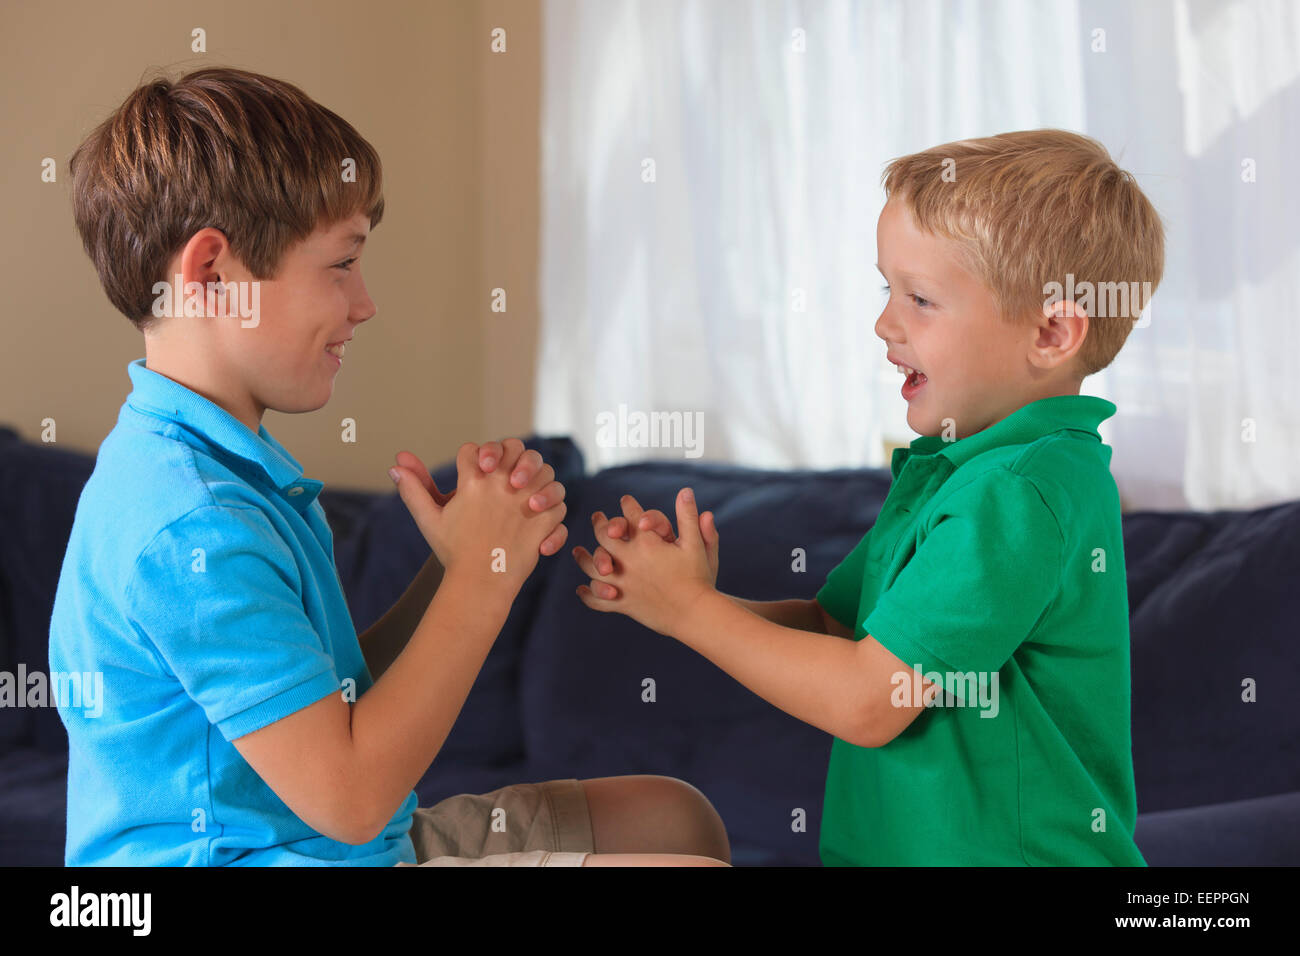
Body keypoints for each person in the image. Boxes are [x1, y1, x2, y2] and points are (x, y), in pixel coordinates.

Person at [50, 66, 729, 867]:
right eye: (340, 264)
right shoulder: (192, 523)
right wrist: (482, 574)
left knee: (670, 819)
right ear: (212, 274)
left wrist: (454, 571)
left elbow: (317, 710)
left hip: (325, 839)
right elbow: (350, 796)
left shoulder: (221, 468)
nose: (364, 302)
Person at [574, 129, 1163, 866]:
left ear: (1050, 331)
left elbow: (867, 699)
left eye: (919, 299)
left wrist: (691, 613)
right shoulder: (956, 473)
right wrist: (684, 599)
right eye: (887, 290)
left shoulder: (1014, 496)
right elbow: (834, 627)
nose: (884, 323)